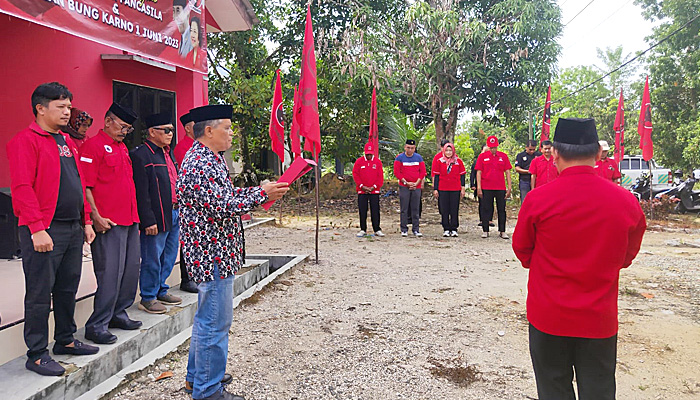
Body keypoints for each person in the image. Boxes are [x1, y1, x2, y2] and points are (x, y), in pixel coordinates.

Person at [512, 118, 646, 400]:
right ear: (598, 154)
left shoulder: (538, 200)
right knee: (598, 390)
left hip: (548, 315)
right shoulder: (625, 202)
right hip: (598, 318)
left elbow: (523, 250)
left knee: (553, 388)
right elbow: (626, 256)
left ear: (555, 154)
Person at [178, 104, 289, 400]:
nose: (231, 133)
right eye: (227, 128)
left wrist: (259, 190)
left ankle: (197, 378)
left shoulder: (211, 159)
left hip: (217, 251)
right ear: (209, 130)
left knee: (208, 320)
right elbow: (223, 205)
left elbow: (224, 196)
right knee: (214, 322)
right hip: (210, 252)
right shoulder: (200, 163)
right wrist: (262, 194)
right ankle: (207, 389)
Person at [7, 82, 98, 376]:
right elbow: (21, 188)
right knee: (39, 293)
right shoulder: (25, 140)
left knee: (67, 288)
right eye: (61, 107)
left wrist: (86, 221)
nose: (67, 112)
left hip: (72, 228)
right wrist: (36, 228)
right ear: (40, 108)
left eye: (69, 106)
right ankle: (36, 354)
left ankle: (65, 340)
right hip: (44, 230)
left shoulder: (67, 142)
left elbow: (78, 183)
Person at [80, 103, 141, 345]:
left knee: (129, 271)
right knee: (109, 274)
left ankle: (118, 313)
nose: (125, 131)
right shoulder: (92, 147)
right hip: (108, 221)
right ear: (107, 121)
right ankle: (97, 324)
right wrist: (94, 216)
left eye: (128, 128)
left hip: (129, 218)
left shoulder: (122, 148)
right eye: (122, 126)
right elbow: (85, 185)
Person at [130, 113, 183, 315]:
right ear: (152, 132)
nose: (170, 134)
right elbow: (141, 191)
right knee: (152, 256)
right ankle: (148, 297)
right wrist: (147, 219)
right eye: (166, 130)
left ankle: (161, 289)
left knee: (169, 255)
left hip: (174, 212)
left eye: (172, 130)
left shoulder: (167, 153)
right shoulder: (141, 155)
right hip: (156, 215)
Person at [174, 111, 198, 293]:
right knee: (188, 242)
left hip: (200, 203)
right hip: (189, 202)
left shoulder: (198, 146)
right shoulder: (183, 148)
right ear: (188, 128)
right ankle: (186, 277)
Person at [475, 135, 512, 239]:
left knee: (501, 209)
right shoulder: (482, 157)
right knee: (486, 208)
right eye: (491, 147)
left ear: (497, 146)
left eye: (494, 147)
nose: (493, 149)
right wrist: (479, 187)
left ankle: (502, 230)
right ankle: (485, 230)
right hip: (486, 186)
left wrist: (509, 187)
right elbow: (479, 172)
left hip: (500, 187)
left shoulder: (503, 156)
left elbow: (508, 172)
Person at [433, 142, 466, 237]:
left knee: (454, 209)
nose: (448, 152)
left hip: (455, 188)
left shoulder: (458, 161)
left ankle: (454, 228)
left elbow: (462, 175)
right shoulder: (439, 161)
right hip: (443, 188)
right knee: (444, 209)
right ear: (443, 151)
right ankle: (446, 228)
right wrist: (436, 189)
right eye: (446, 150)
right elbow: (437, 176)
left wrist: (462, 188)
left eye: (450, 150)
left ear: (453, 151)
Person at [394, 139, 426, 237]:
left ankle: (416, 229)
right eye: (408, 148)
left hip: (416, 186)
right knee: (404, 208)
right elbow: (397, 172)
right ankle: (404, 229)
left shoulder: (419, 158)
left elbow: (422, 172)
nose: (410, 150)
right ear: (405, 147)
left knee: (415, 208)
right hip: (404, 186)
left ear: (414, 148)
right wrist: (406, 182)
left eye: (412, 148)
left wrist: (417, 183)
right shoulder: (399, 158)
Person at [352, 142, 384, 237]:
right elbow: (355, 174)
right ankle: (363, 229)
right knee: (362, 209)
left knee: (375, 210)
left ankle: (377, 229)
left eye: (370, 154)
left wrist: (374, 187)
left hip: (374, 190)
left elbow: (380, 177)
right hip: (362, 190)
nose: (369, 156)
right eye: (367, 154)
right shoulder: (359, 162)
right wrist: (362, 186)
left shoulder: (377, 162)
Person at [470, 145, 494, 228]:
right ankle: (482, 220)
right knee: (482, 203)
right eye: (485, 151)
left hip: (491, 185)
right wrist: (472, 185)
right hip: (479, 184)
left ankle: (490, 220)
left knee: (490, 203)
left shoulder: (492, 160)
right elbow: (472, 173)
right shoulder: (477, 161)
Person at [432, 138, 450, 215]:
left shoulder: (454, 157)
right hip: (440, 183)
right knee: (441, 200)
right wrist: (434, 185)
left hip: (451, 183)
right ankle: (443, 214)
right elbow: (434, 172)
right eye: (443, 147)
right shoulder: (437, 157)